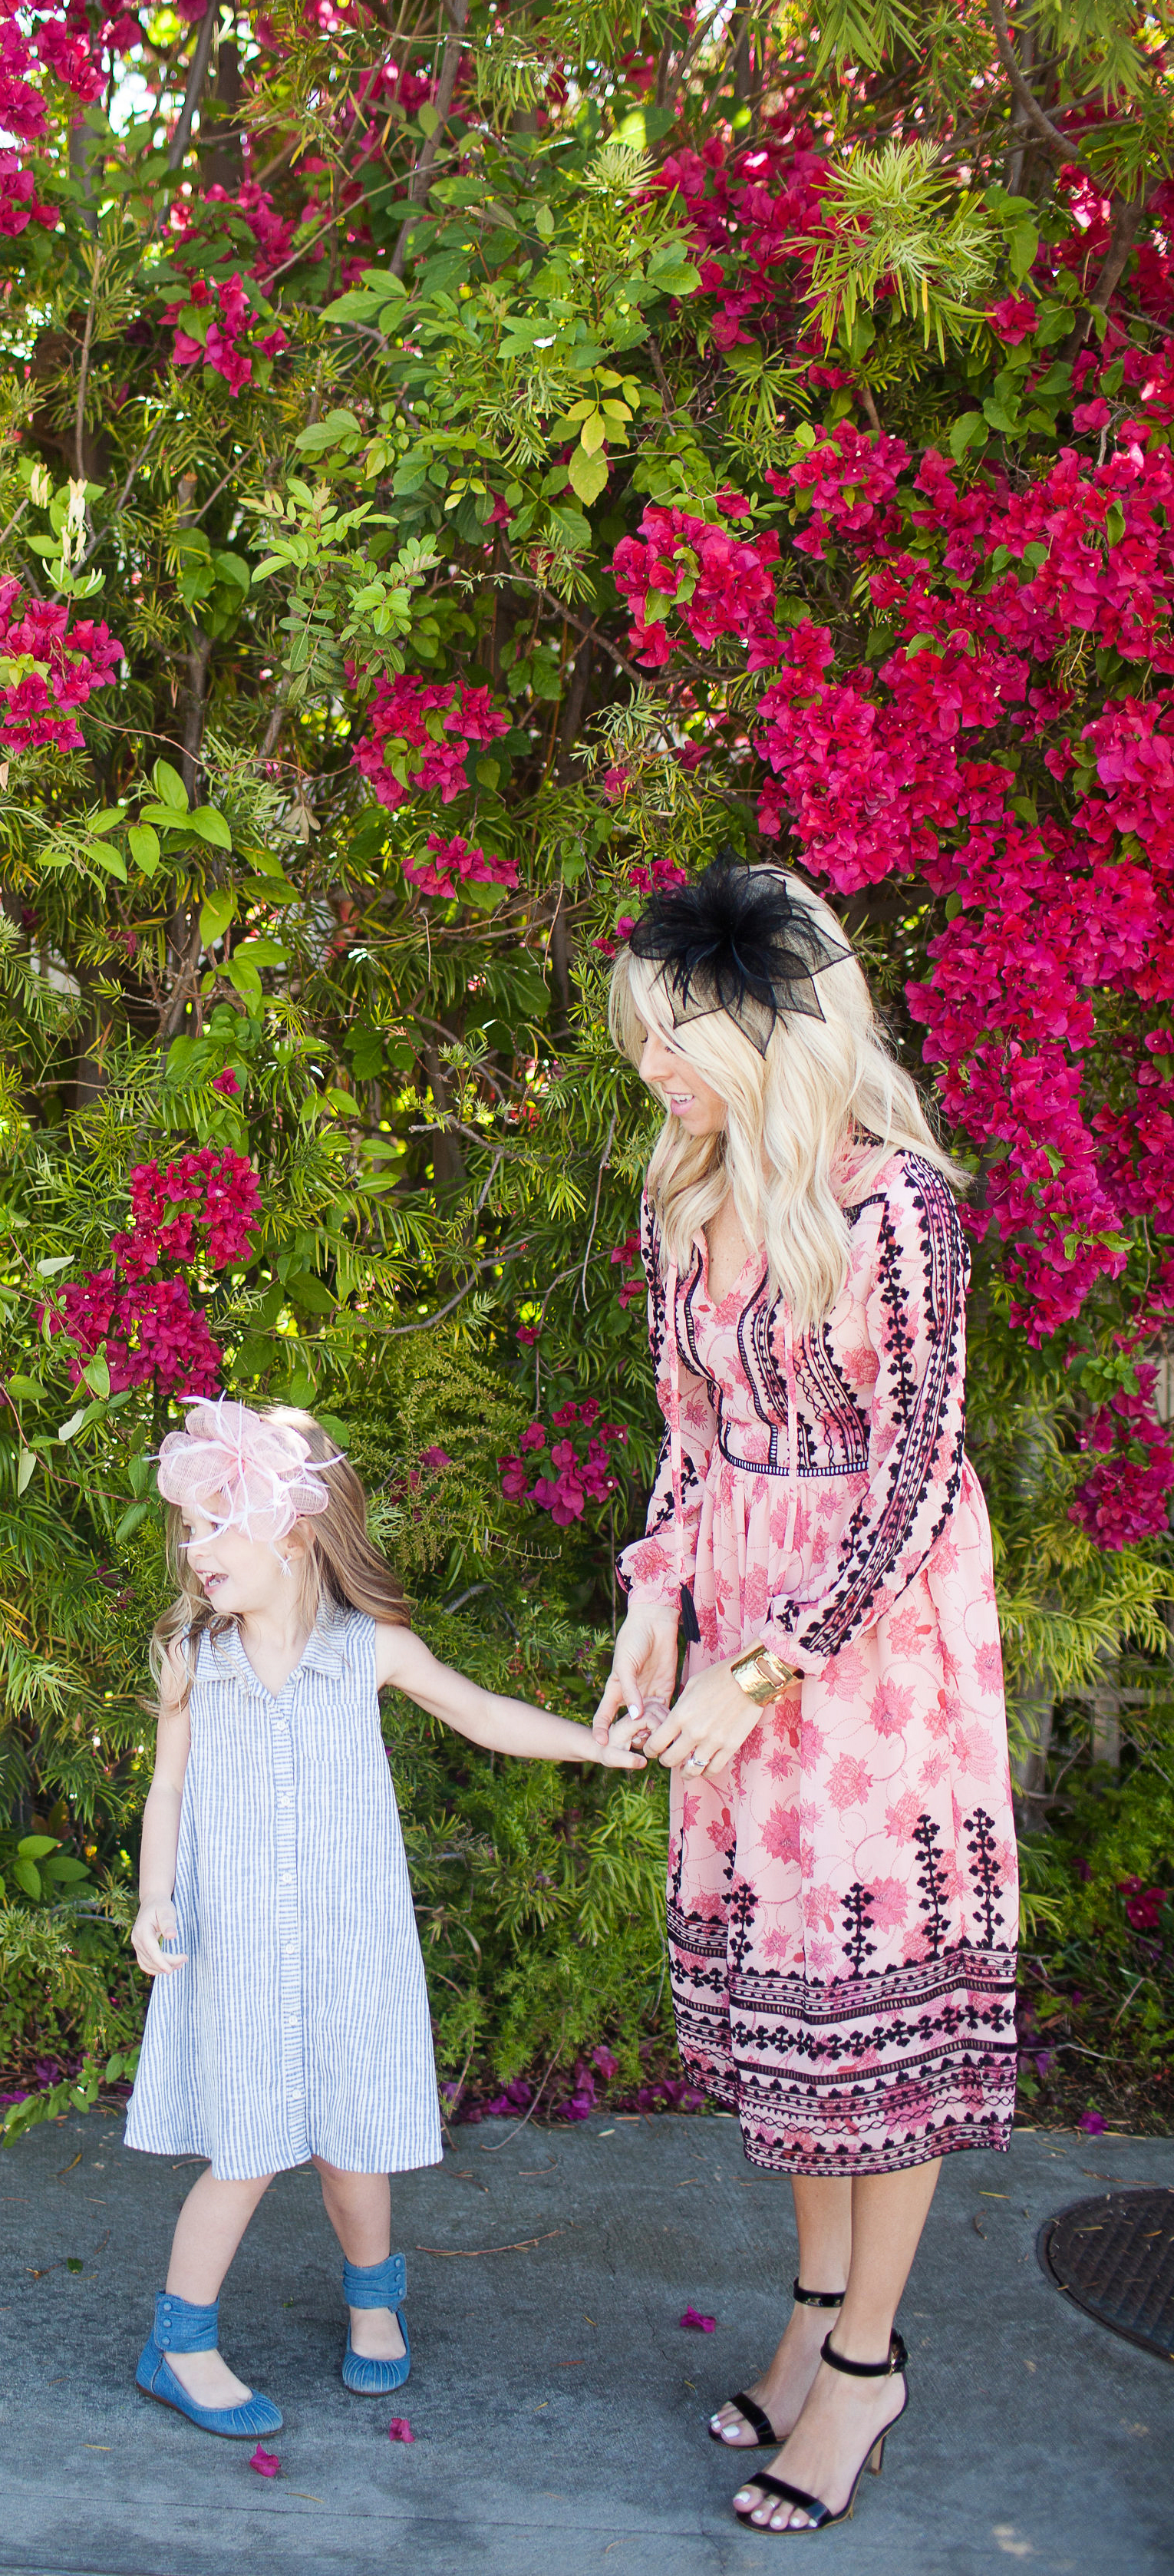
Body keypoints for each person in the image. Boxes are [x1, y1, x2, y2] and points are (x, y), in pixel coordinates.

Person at [593, 854, 1018, 2534]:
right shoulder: (680, 1197)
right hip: (741, 1616)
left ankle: (864, 2363)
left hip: (871, 1652)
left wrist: (774, 1660)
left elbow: (916, 1474)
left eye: (679, 1038)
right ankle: (811, 2314)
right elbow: (692, 1443)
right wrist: (656, 1607)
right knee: (793, 2026)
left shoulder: (895, 1208)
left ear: (783, 1029)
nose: (652, 1069)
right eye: (640, 1039)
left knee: (875, 2028)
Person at [124, 1397, 641, 2439]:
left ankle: (375, 2302)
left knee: (354, 2146)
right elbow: (168, 1791)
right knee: (247, 2147)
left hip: (349, 1950)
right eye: (193, 1526)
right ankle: (177, 2342)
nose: (197, 1547)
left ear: (296, 1531)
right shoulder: (197, 1660)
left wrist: (593, 1745)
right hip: (239, 1955)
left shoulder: (371, 1651)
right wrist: (152, 1897)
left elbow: (483, 1714)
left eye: (222, 1523)